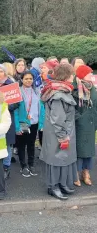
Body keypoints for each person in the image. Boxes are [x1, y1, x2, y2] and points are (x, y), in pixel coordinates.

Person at [40, 64, 77, 200]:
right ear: (65, 75)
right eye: (71, 74)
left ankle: (61, 184)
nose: (73, 77)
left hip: (64, 132)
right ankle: (53, 186)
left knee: (63, 158)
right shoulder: (58, 95)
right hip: (58, 134)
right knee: (56, 159)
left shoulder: (63, 91)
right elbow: (57, 119)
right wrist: (63, 137)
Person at [14, 71, 45, 177]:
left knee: (31, 144)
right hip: (22, 123)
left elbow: (41, 108)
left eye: (30, 78)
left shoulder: (37, 91)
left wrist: (41, 123)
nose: (28, 80)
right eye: (26, 78)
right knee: (21, 145)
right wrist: (17, 126)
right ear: (21, 80)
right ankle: (23, 166)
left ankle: (31, 164)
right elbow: (16, 111)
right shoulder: (17, 92)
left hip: (34, 122)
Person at [72, 65, 97, 186]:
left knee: (90, 150)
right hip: (80, 125)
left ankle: (86, 173)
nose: (91, 76)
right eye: (89, 74)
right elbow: (72, 108)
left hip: (91, 124)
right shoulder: (75, 89)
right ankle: (76, 173)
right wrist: (79, 119)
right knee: (79, 150)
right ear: (82, 75)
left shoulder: (93, 88)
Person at [0, 64, 18, 179]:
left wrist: (2, 108)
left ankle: (6, 167)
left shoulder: (11, 85)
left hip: (6, 118)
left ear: (5, 73)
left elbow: (16, 103)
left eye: (1, 71)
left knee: (7, 144)